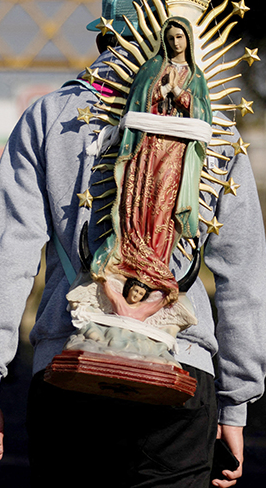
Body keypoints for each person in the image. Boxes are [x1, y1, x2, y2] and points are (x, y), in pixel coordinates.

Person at [0, 0, 266, 488]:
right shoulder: (217, 127)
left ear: (105, 37)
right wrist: (236, 404)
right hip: (181, 368)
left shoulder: (46, 118)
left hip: (70, 366)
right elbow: (243, 274)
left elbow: (8, 252)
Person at [90, 16, 211, 305]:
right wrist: (160, 91)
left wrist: (178, 93)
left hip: (176, 149)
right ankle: (132, 254)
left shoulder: (196, 77)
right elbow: (139, 100)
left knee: (163, 203)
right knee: (140, 199)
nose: (175, 43)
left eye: (180, 37)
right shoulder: (152, 68)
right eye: (170, 38)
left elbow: (201, 111)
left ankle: (156, 259)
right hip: (147, 148)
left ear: (189, 40)